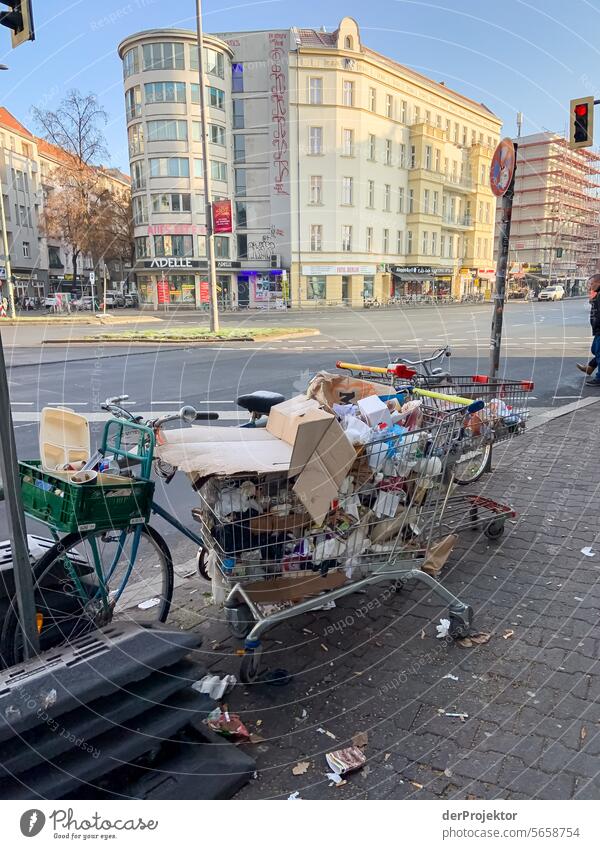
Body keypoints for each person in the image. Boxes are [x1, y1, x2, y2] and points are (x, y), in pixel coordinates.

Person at [577, 274, 600, 384]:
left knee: (598, 351)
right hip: (597, 329)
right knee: (595, 349)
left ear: (598, 283)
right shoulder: (597, 294)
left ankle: (599, 377)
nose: (590, 286)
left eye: (592, 284)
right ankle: (590, 368)